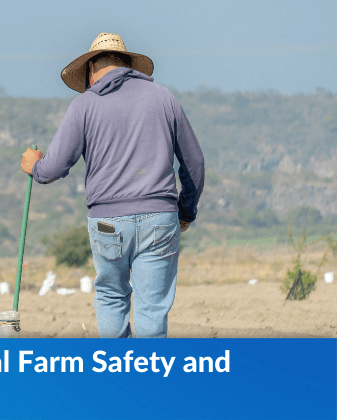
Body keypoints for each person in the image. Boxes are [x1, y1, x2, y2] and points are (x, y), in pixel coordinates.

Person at [21, 33, 205, 338]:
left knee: (111, 297)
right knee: (151, 307)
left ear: (91, 68)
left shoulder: (84, 105)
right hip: (160, 218)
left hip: (107, 221)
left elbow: (53, 168)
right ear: (128, 65)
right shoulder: (164, 98)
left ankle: (115, 376)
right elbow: (194, 163)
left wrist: (34, 166)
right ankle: (148, 379)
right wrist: (186, 210)